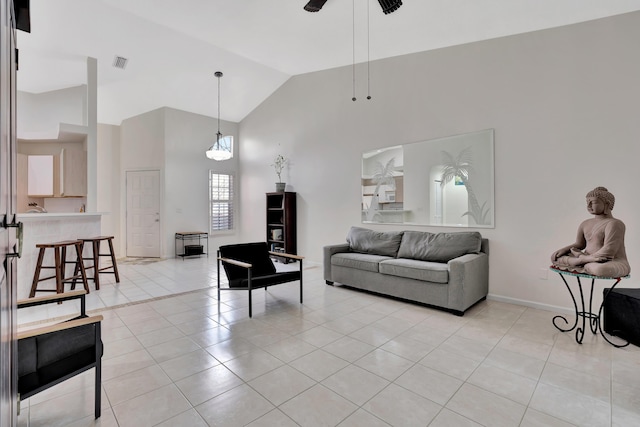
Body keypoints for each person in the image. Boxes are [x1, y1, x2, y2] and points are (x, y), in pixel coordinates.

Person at [551, 186, 630, 278]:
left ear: (607, 204)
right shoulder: (585, 223)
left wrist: (584, 258)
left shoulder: (615, 224)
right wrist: (564, 250)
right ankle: (582, 262)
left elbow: (609, 251)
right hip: (587, 257)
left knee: (599, 269)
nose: (589, 206)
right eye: (587, 202)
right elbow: (579, 244)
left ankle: (581, 262)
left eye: (593, 202)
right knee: (555, 257)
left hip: (612, 261)